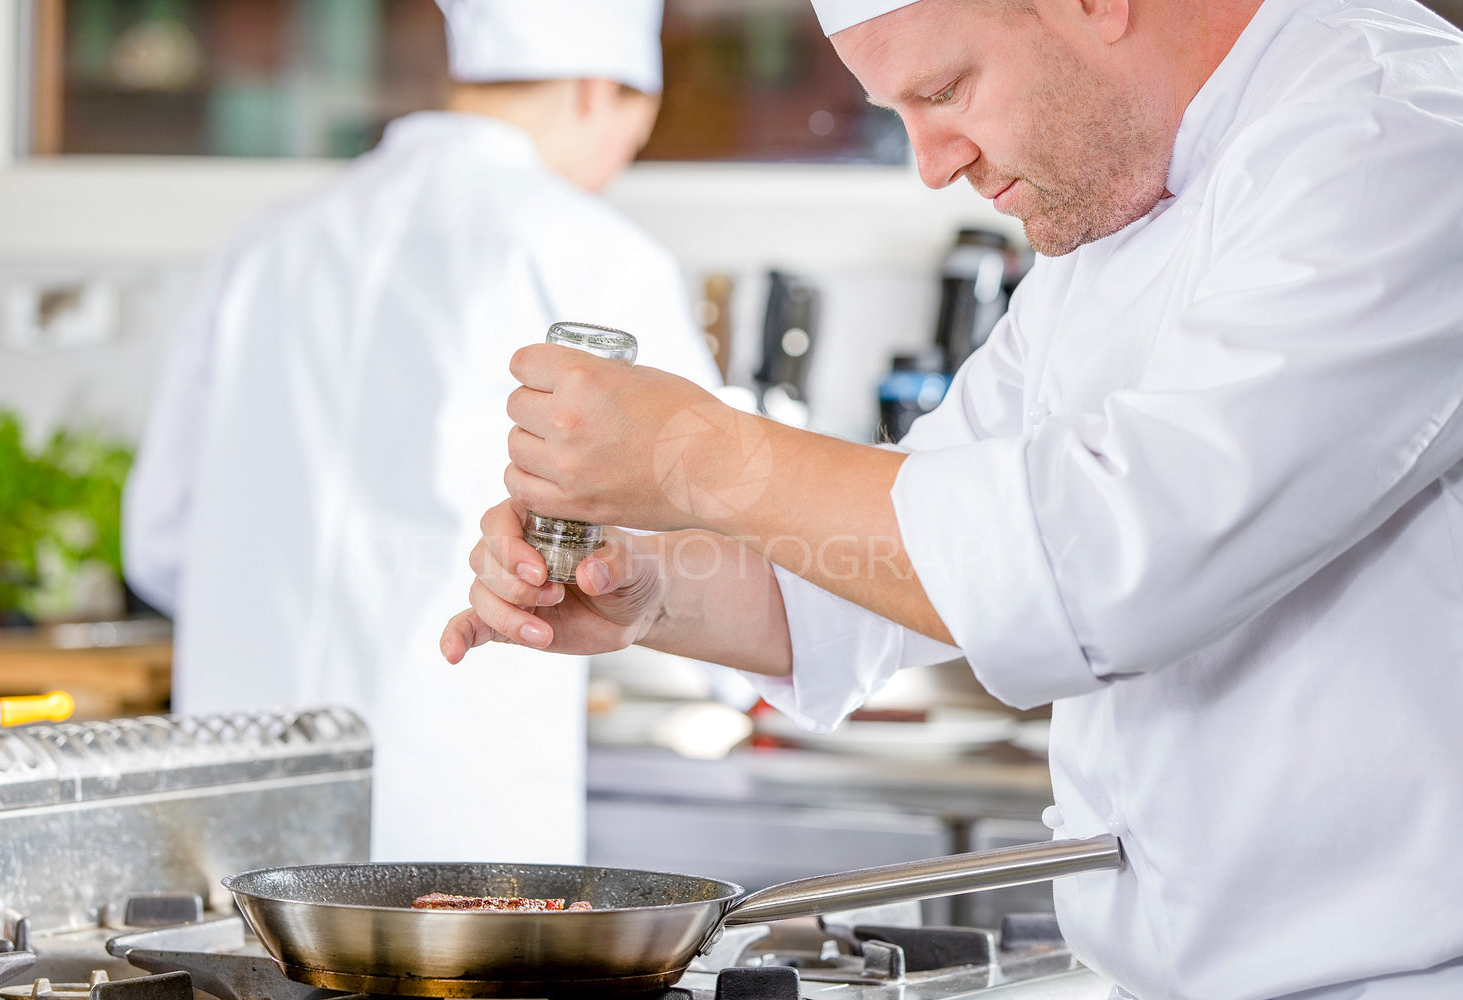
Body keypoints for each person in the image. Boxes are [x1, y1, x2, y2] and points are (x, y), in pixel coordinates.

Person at [441, 0, 1463, 996]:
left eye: (945, 88)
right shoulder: (1117, 202)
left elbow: (1103, 560)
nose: (934, 164)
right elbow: (906, 548)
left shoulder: (1398, 137)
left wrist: (694, 454)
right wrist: (652, 587)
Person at [122, 0, 720, 864]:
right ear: (599, 93)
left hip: (225, 802)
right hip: (451, 801)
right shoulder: (595, 254)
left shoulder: (267, 246)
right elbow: (704, 529)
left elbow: (160, 541)